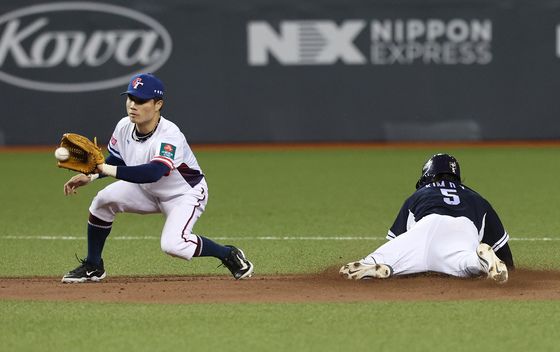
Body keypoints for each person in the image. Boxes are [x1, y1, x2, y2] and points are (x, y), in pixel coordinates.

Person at [61, 73, 254, 283]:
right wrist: (90, 177)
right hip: (147, 190)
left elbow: (154, 172)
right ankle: (93, 265)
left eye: (141, 100)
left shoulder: (170, 135)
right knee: (102, 201)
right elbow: (117, 159)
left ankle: (228, 254)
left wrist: (103, 169)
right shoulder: (124, 126)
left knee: (173, 245)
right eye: (130, 98)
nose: (133, 105)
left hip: (183, 194)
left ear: (157, 104)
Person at [340, 153, 514, 283]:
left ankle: (373, 264)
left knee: (390, 256)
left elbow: (396, 240)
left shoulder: (419, 195)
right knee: (465, 264)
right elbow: (503, 250)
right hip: (463, 230)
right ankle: (481, 261)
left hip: (426, 226)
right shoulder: (478, 199)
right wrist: (508, 268)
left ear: (427, 176)